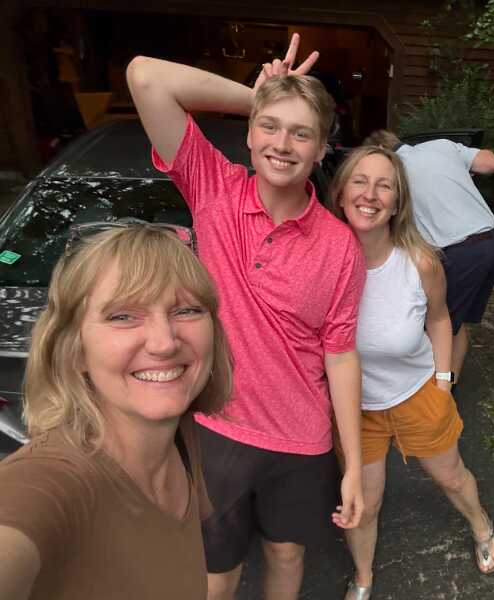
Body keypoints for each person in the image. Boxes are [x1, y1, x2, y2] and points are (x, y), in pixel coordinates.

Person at [126, 34, 366, 600]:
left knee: (286, 554)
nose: (283, 144)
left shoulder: (340, 247)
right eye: (270, 127)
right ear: (251, 135)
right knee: (216, 573)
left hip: (302, 438)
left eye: (301, 133)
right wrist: (258, 96)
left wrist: (353, 465)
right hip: (217, 429)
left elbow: (340, 355)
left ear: (321, 149)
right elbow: (145, 75)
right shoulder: (213, 189)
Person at [0, 223, 233, 600]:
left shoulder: (179, 435)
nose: (164, 343)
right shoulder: (51, 484)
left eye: (187, 310)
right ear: (73, 349)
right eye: (123, 316)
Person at [328, 146, 494, 600]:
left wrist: (444, 383)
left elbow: (440, 320)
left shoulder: (421, 262)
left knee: (451, 478)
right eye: (360, 181)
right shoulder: (321, 264)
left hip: (417, 392)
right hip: (355, 409)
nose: (370, 194)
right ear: (340, 193)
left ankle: (481, 525)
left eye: (384, 185)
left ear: (397, 203)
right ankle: (363, 577)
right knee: (364, 504)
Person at [363, 130, 494, 389]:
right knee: (456, 322)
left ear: (382, 150)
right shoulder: (442, 146)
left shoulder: (394, 173)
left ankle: (435, 391)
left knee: (438, 324)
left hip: (461, 252)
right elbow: (492, 163)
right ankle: (450, 386)